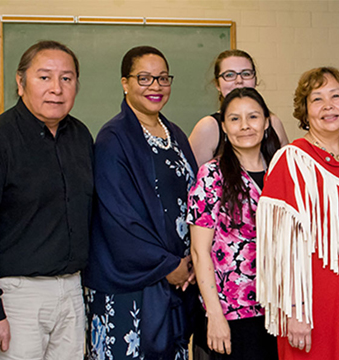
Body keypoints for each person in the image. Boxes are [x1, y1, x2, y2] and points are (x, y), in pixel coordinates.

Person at [0, 40, 92, 359]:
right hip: (16, 295)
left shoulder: (81, 136)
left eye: (66, 78)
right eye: (44, 77)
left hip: (72, 289)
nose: (56, 89)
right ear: (20, 83)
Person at [255, 67, 339, 359]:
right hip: (312, 307)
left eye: (336, 96)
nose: (328, 106)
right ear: (305, 112)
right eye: (317, 99)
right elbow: (279, 248)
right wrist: (294, 309)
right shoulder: (292, 160)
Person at [84, 46, 197, 359]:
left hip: (177, 278)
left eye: (162, 78)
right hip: (128, 284)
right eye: (144, 78)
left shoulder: (175, 135)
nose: (156, 86)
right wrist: (167, 265)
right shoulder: (112, 138)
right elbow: (118, 216)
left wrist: (190, 261)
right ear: (125, 82)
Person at [186, 87, 282, 359]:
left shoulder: (283, 170)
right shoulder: (212, 175)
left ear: (266, 123)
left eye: (252, 117)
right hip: (233, 312)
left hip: (281, 311)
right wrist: (215, 316)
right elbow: (199, 251)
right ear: (224, 128)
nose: (244, 126)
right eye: (234, 119)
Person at [188, 49, 289, 164]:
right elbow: (193, 179)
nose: (239, 81)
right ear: (217, 84)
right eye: (229, 75)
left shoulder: (273, 122)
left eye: (246, 74)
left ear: (255, 80)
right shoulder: (208, 127)